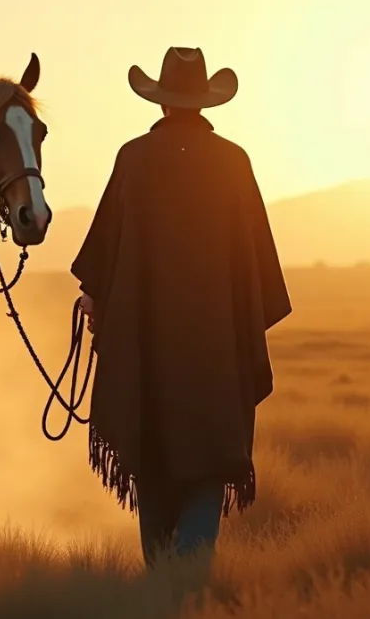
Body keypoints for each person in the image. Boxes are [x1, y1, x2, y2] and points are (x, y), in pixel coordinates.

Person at [71, 47, 292, 569]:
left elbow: (103, 252)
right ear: (204, 102)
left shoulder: (135, 158)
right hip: (216, 353)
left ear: (163, 102)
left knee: (151, 459)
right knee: (210, 459)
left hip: (146, 350)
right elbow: (259, 269)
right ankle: (188, 586)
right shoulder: (234, 162)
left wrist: (95, 298)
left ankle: (163, 584)